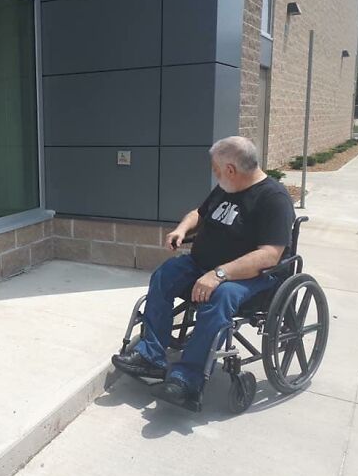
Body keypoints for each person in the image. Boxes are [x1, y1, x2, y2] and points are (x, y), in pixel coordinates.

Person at [112, 136, 295, 408]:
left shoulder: (274, 199)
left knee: (220, 297)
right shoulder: (227, 188)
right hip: (203, 266)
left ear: (231, 169)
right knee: (166, 274)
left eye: (216, 169)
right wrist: (182, 229)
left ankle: (188, 379)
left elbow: (269, 254)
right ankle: (152, 356)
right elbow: (200, 213)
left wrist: (219, 274)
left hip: (251, 278)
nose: (214, 173)